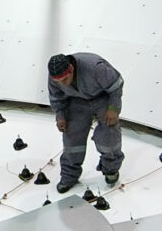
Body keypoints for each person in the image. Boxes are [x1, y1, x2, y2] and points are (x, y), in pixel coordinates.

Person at [47, 52, 123, 193]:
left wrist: (113, 108)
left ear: (71, 69)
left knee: (108, 135)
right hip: (76, 101)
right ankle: (69, 176)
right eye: (59, 81)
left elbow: (116, 85)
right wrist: (60, 115)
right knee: (71, 139)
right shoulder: (55, 77)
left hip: (102, 98)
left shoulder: (95, 67)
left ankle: (111, 169)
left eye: (65, 80)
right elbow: (56, 96)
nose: (62, 84)